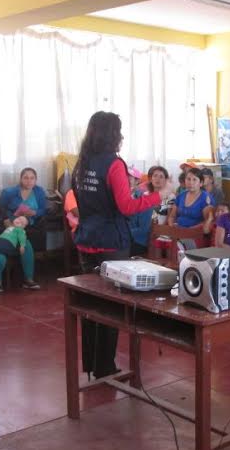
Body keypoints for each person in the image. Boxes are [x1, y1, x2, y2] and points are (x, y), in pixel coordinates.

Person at [73, 111, 174, 379]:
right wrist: (158, 196)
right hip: (111, 243)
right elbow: (127, 207)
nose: (122, 136)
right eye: (119, 131)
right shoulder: (113, 164)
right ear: (112, 134)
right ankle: (105, 367)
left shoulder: (82, 163)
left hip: (86, 240)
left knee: (90, 304)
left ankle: (93, 364)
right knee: (110, 307)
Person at [0, 167, 49, 251]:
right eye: (26, 178)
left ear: (35, 180)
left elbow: (43, 210)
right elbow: (0, 210)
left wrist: (34, 212)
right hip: (13, 224)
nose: (29, 181)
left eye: (32, 178)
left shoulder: (39, 191)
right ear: (21, 179)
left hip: (32, 224)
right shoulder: (9, 192)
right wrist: (8, 220)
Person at [128, 165, 169, 256]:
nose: (157, 179)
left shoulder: (170, 198)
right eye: (155, 176)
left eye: (161, 176)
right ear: (150, 179)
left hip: (157, 235)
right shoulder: (143, 196)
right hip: (137, 234)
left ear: (166, 180)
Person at [169, 167, 215, 234]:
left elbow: (208, 222)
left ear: (201, 183)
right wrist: (172, 227)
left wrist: (188, 231)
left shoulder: (206, 199)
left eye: (194, 180)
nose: (191, 182)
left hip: (195, 234)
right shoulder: (181, 196)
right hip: (178, 231)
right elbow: (172, 216)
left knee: (178, 244)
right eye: (188, 179)